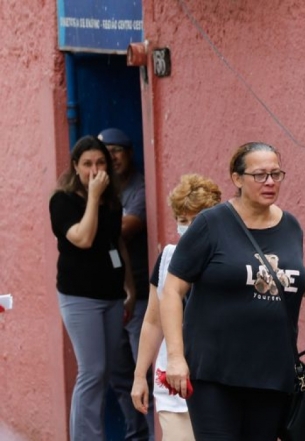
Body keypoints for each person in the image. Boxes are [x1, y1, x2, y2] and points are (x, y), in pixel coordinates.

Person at [160, 142, 305, 440]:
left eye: (276, 174)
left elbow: (291, 277)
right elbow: (172, 290)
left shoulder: (290, 226)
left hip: (270, 374)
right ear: (237, 178)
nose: (270, 182)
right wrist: (176, 357)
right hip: (214, 374)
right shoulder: (210, 224)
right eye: (260, 175)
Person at [49, 135, 136, 440]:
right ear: (75, 166)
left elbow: (117, 244)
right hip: (79, 296)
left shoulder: (113, 199)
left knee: (105, 373)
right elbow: (83, 238)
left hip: (112, 296)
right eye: (87, 164)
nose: (94, 169)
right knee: (92, 371)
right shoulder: (63, 201)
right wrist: (94, 198)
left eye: (100, 163)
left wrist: (130, 288)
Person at [131, 174, 222, 441]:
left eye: (198, 220)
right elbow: (152, 321)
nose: (190, 228)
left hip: (220, 381)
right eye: (183, 221)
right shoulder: (168, 257)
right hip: (173, 382)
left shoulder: (228, 260)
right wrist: (139, 377)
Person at [98, 127, 155, 440]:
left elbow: (126, 227)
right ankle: (136, 436)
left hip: (141, 296)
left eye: (118, 150)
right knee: (119, 376)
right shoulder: (102, 192)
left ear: (129, 153)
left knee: (144, 374)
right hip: (107, 297)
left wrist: (90, 221)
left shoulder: (140, 187)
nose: (112, 157)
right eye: (107, 153)